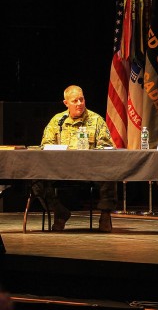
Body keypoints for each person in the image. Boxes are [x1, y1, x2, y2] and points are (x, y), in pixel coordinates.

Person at [37, 85, 117, 232]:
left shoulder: (96, 120)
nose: (79, 103)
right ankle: (59, 211)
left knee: (110, 171)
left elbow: (107, 148)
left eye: (82, 99)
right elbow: (45, 145)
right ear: (66, 103)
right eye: (75, 101)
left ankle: (105, 215)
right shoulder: (57, 121)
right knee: (35, 177)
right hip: (61, 170)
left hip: (91, 170)